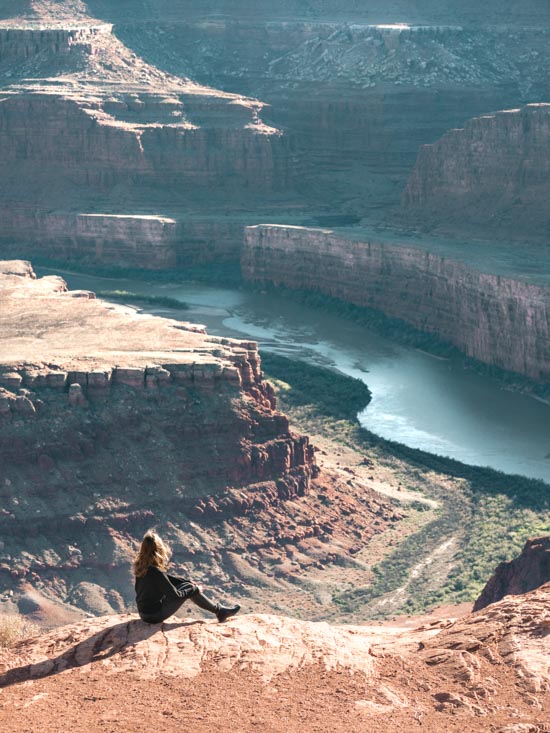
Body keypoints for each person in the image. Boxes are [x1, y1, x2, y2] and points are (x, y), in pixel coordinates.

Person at [133, 530, 240, 624]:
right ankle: (220, 612)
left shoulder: (142, 567)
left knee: (188, 586)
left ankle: (220, 611)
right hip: (154, 616)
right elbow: (176, 595)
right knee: (189, 589)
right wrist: (194, 589)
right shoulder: (155, 571)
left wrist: (189, 583)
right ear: (159, 549)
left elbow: (168, 580)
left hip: (144, 613)